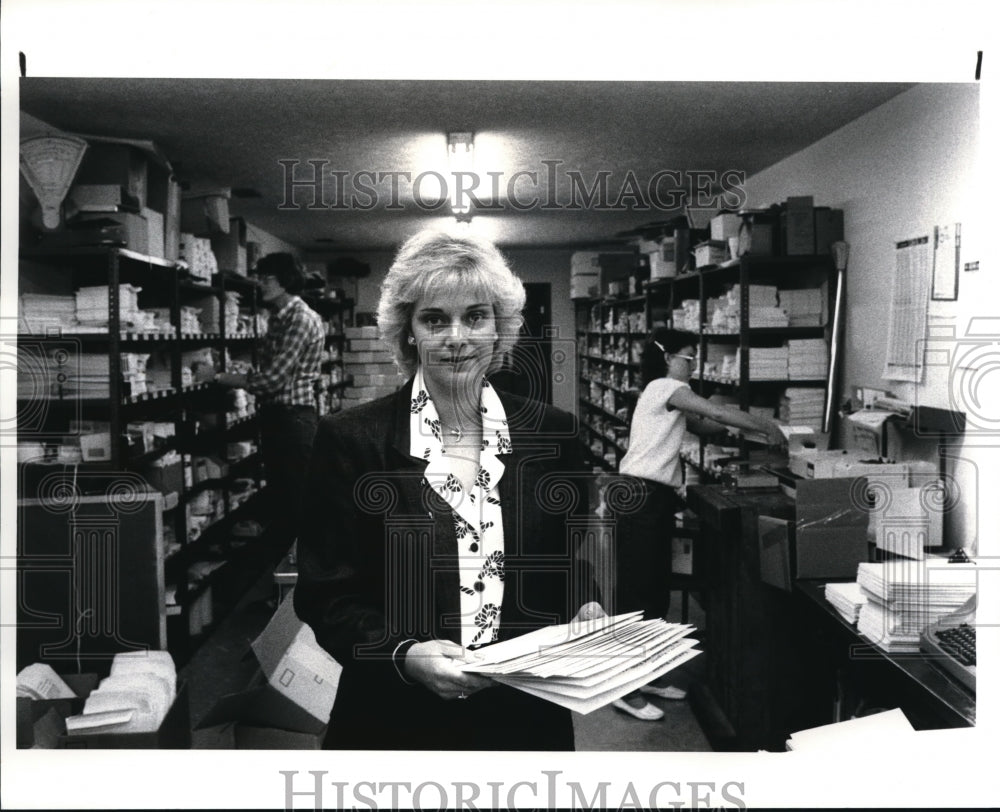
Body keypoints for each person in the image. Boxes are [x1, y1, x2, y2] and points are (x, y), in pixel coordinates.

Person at [293, 230, 604, 750]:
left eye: (475, 317)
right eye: (435, 319)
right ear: (409, 332)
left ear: (498, 329)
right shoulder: (352, 441)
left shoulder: (554, 435)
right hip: (394, 717)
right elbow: (326, 594)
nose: (456, 337)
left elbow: (564, 562)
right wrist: (404, 655)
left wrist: (585, 605)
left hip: (522, 714)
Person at [611, 327, 787, 721]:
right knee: (637, 596)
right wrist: (766, 426)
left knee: (654, 592)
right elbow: (716, 411)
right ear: (667, 357)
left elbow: (705, 425)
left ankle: (649, 675)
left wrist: (733, 430)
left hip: (650, 500)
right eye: (689, 358)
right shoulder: (662, 386)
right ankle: (624, 687)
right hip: (640, 498)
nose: (692, 366)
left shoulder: (666, 397)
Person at [214, 252, 324, 549]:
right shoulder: (280, 318)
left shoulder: (299, 319)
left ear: (285, 280)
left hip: (293, 420)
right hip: (279, 418)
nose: (260, 284)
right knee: (284, 499)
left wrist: (222, 377)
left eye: (266, 279)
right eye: (259, 278)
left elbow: (272, 380)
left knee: (297, 502)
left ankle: (305, 580)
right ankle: (288, 579)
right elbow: (269, 372)